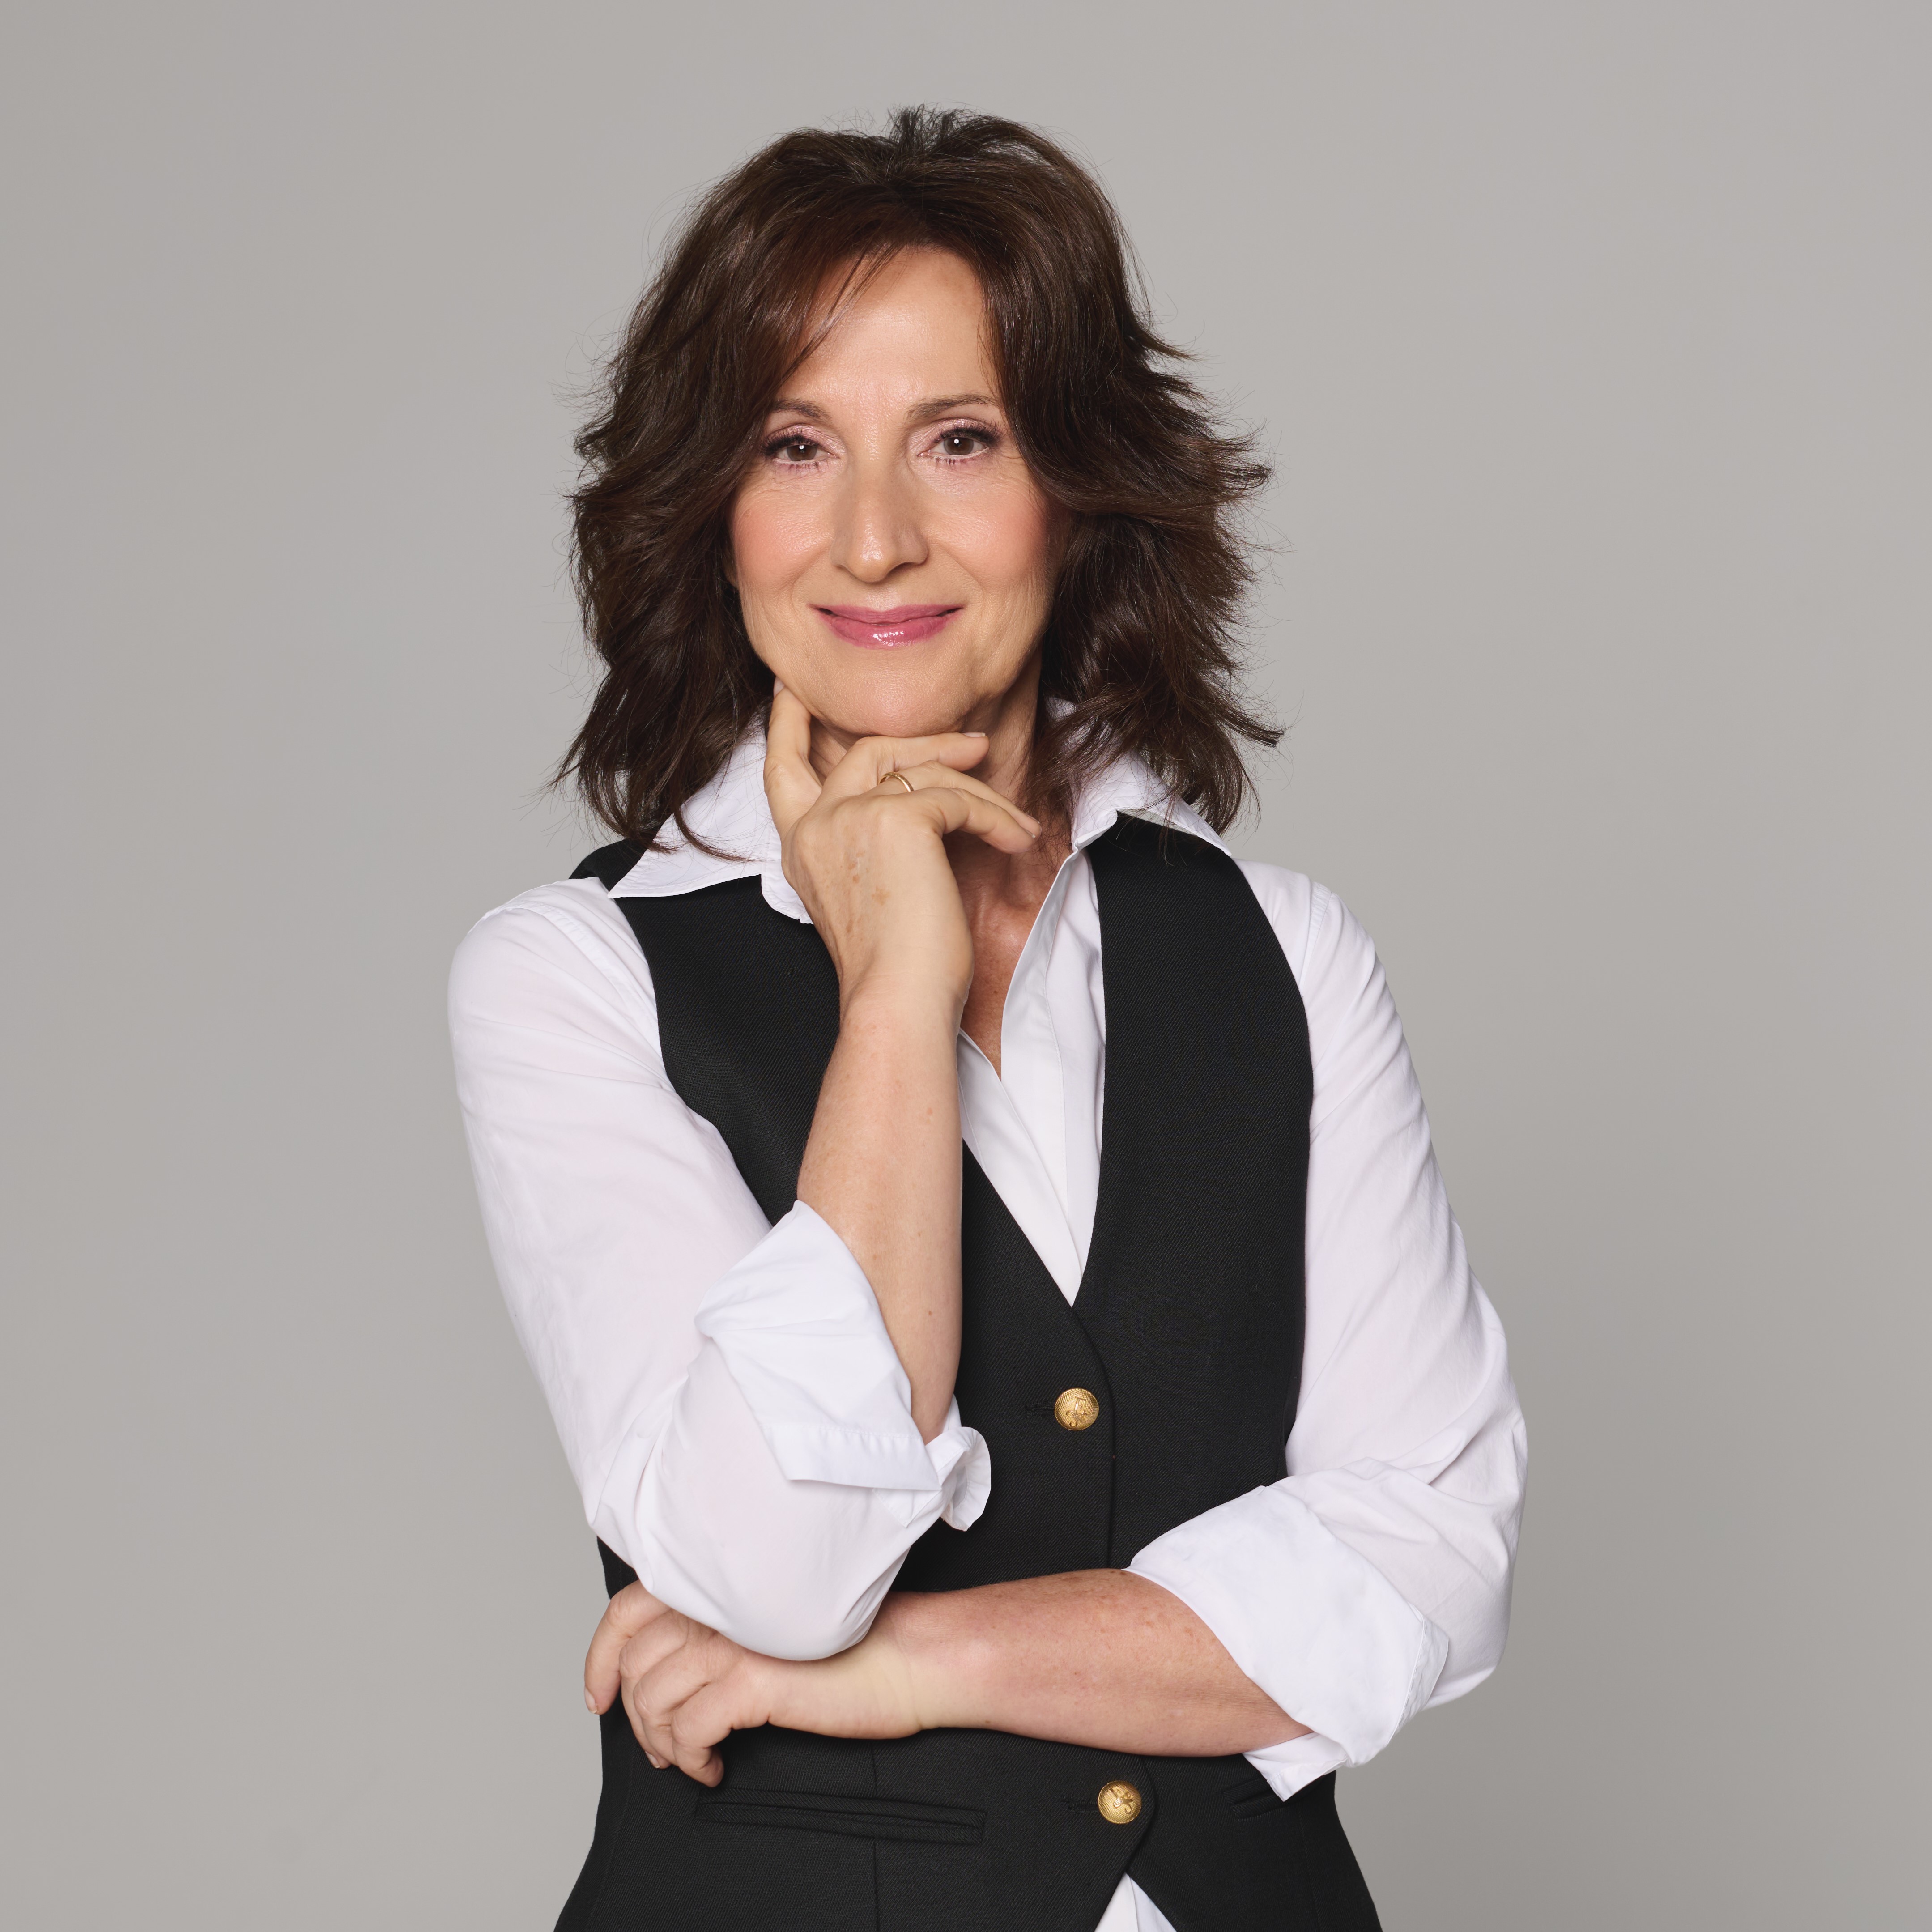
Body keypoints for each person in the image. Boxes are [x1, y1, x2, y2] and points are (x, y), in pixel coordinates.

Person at [450, 109, 1525, 1932]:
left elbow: (1431, 1555)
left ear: (1079, 489)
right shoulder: (573, 978)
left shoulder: (1282, 952)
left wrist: (911, 1664)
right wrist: (895, 989)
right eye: (796, 446)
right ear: (715, 510)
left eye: (962, 441)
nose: (875, 540)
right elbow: (781, 1564)